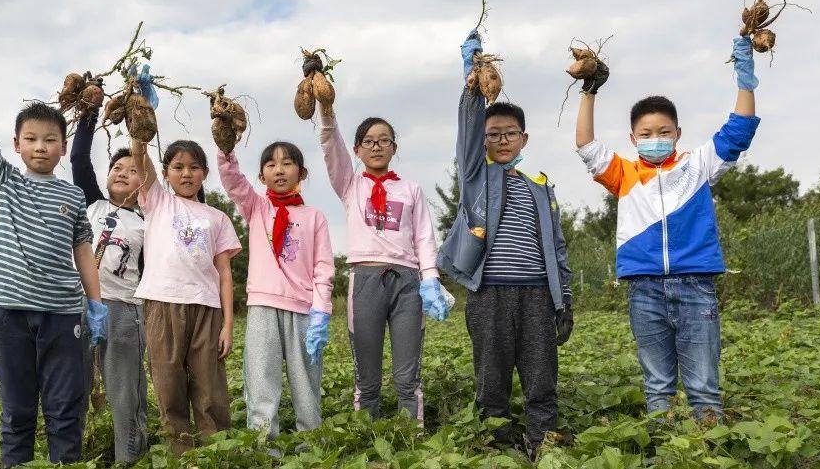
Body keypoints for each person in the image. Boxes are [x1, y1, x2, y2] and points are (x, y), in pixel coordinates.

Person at [574, 34, 761, 421]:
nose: (655, 140)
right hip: (643, 288)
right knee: (657, 384)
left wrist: (745, 77)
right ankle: (666, 444)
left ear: (677, 133)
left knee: (704, 384)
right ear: (633, 139)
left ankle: (706, 443)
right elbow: (586, 144)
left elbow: (739, 130)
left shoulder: (698, 166)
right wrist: (589, 90)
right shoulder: (623, 174)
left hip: (696, 285)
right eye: (645, 134)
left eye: (663, 132)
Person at [437, 29, 574, 458]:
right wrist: (472, 85)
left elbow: (557, 247)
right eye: (493, 134)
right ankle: (496, 444)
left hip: (537, 294)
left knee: (540, 374)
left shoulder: (541, 188)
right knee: (491, 376)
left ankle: (541, 440)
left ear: (523, 139)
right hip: (489, 293)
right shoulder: (475, 177)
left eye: (510, 134)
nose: (501, 140)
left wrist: (564, 298)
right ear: (483, 140)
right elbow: (467, 134)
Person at [0, 89, 106, 467]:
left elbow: (83, 250)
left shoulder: (73, 196)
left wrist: (96, 303)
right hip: (9, 314)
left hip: (62, 315)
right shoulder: (6, 182)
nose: (41, 147)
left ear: (63, 147)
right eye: (32, 139)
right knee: (17, 411)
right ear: (17, 145)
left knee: (64, 409)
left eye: (50, 139)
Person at [314, 83, 449, 424]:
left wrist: (430, 279)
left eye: (384, 140)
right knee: (367, 374)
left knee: (408, 373)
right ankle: (366, 433)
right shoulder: (350, 184)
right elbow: (331, 147)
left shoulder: (410, 189)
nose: (376, 146)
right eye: (369, 141)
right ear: (357, 150)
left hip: (407, 283)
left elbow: (424, 237)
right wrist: (326, 111)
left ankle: (411, 433)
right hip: (365, 280)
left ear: (394, 147)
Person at [216, 139, 335, 438]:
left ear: (302, 173)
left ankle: (311, 440)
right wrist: (225, 149)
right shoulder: (257, 207)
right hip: (263, 307)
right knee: (261, 379)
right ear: (261, 176)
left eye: (287, 163)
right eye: (271, 165)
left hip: (303, 310)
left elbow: (323, 266)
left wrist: (321, 310)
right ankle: (264, 445)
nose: (279, 170)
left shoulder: (314, 217)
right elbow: (233, 182)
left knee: (306, 381)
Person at [69, 69, 158, 464]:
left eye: (132, 170)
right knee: (74, 386)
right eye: (117, 168)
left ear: (143, 181)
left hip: (123, 309)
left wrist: (141, 113)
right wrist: (90, 108)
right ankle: (72, 455)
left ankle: (130, 455)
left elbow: (151, 271)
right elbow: (78, 157)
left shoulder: (147, 220)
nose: (122, 172)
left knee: (125, 391)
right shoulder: (92, 203)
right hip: (79, 305)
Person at [131, 137, 241, 456]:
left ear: (204, 172)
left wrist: (228, 324)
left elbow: (224, 274)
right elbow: (139, 153)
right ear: (165, 173)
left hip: (206, 308)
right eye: (178, 167)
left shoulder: (217, 218)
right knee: (168, 383)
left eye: (194, 167)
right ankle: (180, 453)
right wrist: (139, 130)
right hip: (162, 303)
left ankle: (216, 452)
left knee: (210, 387)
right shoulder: (157, 200)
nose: (186, 174)